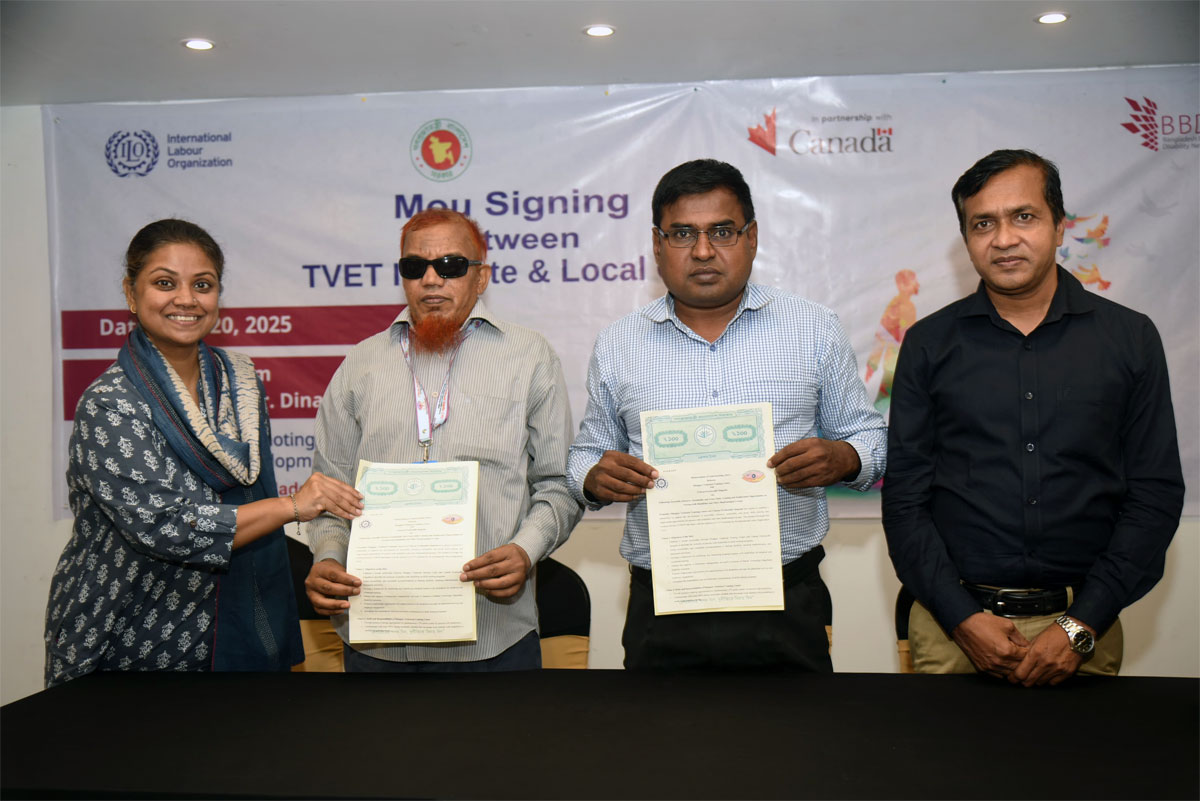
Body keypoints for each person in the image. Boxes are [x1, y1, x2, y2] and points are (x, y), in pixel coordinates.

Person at [567, 159, 887, 670]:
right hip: (663, 599)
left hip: (786, 594)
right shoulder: (619, 344)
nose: (702, 250)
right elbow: (586, 452)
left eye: (721, 231)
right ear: (656, 244)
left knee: (797, 744)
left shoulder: (813, 328)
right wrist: (592, 476)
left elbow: (871, 438)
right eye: (681, 233)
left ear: (752, 237)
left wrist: (844, 457)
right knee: (662, 746)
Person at [882, 149, 1185, 686]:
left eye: (1024, 216)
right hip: (955, 631)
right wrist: (962, 619)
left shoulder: (1129, 339)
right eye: (983, 224)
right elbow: (905, 500)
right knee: (945, 773)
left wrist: (1079, 626)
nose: (1003, 239)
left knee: (1084, 773)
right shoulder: (929, 345)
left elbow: (1155, 495)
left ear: (1059, 225)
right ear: (967, 238)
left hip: (1083, 629)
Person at [45, 219, 364, 686]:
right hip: (131, 634)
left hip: (238, 624)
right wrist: (293, 506)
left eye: (203, 285)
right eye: (164, 283)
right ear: (131, 295)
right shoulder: (111, 403)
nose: (186, 299)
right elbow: (167, 527)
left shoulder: (241, 386)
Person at [303, 208, 580, 672]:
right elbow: (331, 491)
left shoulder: (529, 357)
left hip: (494, 638)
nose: (431, 279)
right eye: (415, 267)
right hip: (377, 640)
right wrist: (328, 556)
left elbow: (558, 486)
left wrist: (525, 551)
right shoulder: (360, 365)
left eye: (450, 266)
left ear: (481, 276)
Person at [864, 269, 920, 414]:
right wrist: (872, 364)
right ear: (903, 285)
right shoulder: (897, 306)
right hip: (895, 365)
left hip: (906, 363)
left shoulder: (908, 306)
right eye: (912, 281)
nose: (917, 284)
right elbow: (882, 334)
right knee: (884, 401)